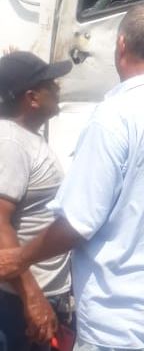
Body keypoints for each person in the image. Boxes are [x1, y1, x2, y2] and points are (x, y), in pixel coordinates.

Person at [0, 5, 144, 351]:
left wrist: (21, 257)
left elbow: (79, 222)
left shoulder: (114, 117)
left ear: (120, 47)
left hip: (123, 319)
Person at [0, 52, 73, 351]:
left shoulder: (25, 138)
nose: (57, 87)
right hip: (17, 300)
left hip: (36, 295)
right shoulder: (12, 142)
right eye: (49, 83)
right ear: (31, 97)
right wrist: (32, 295)